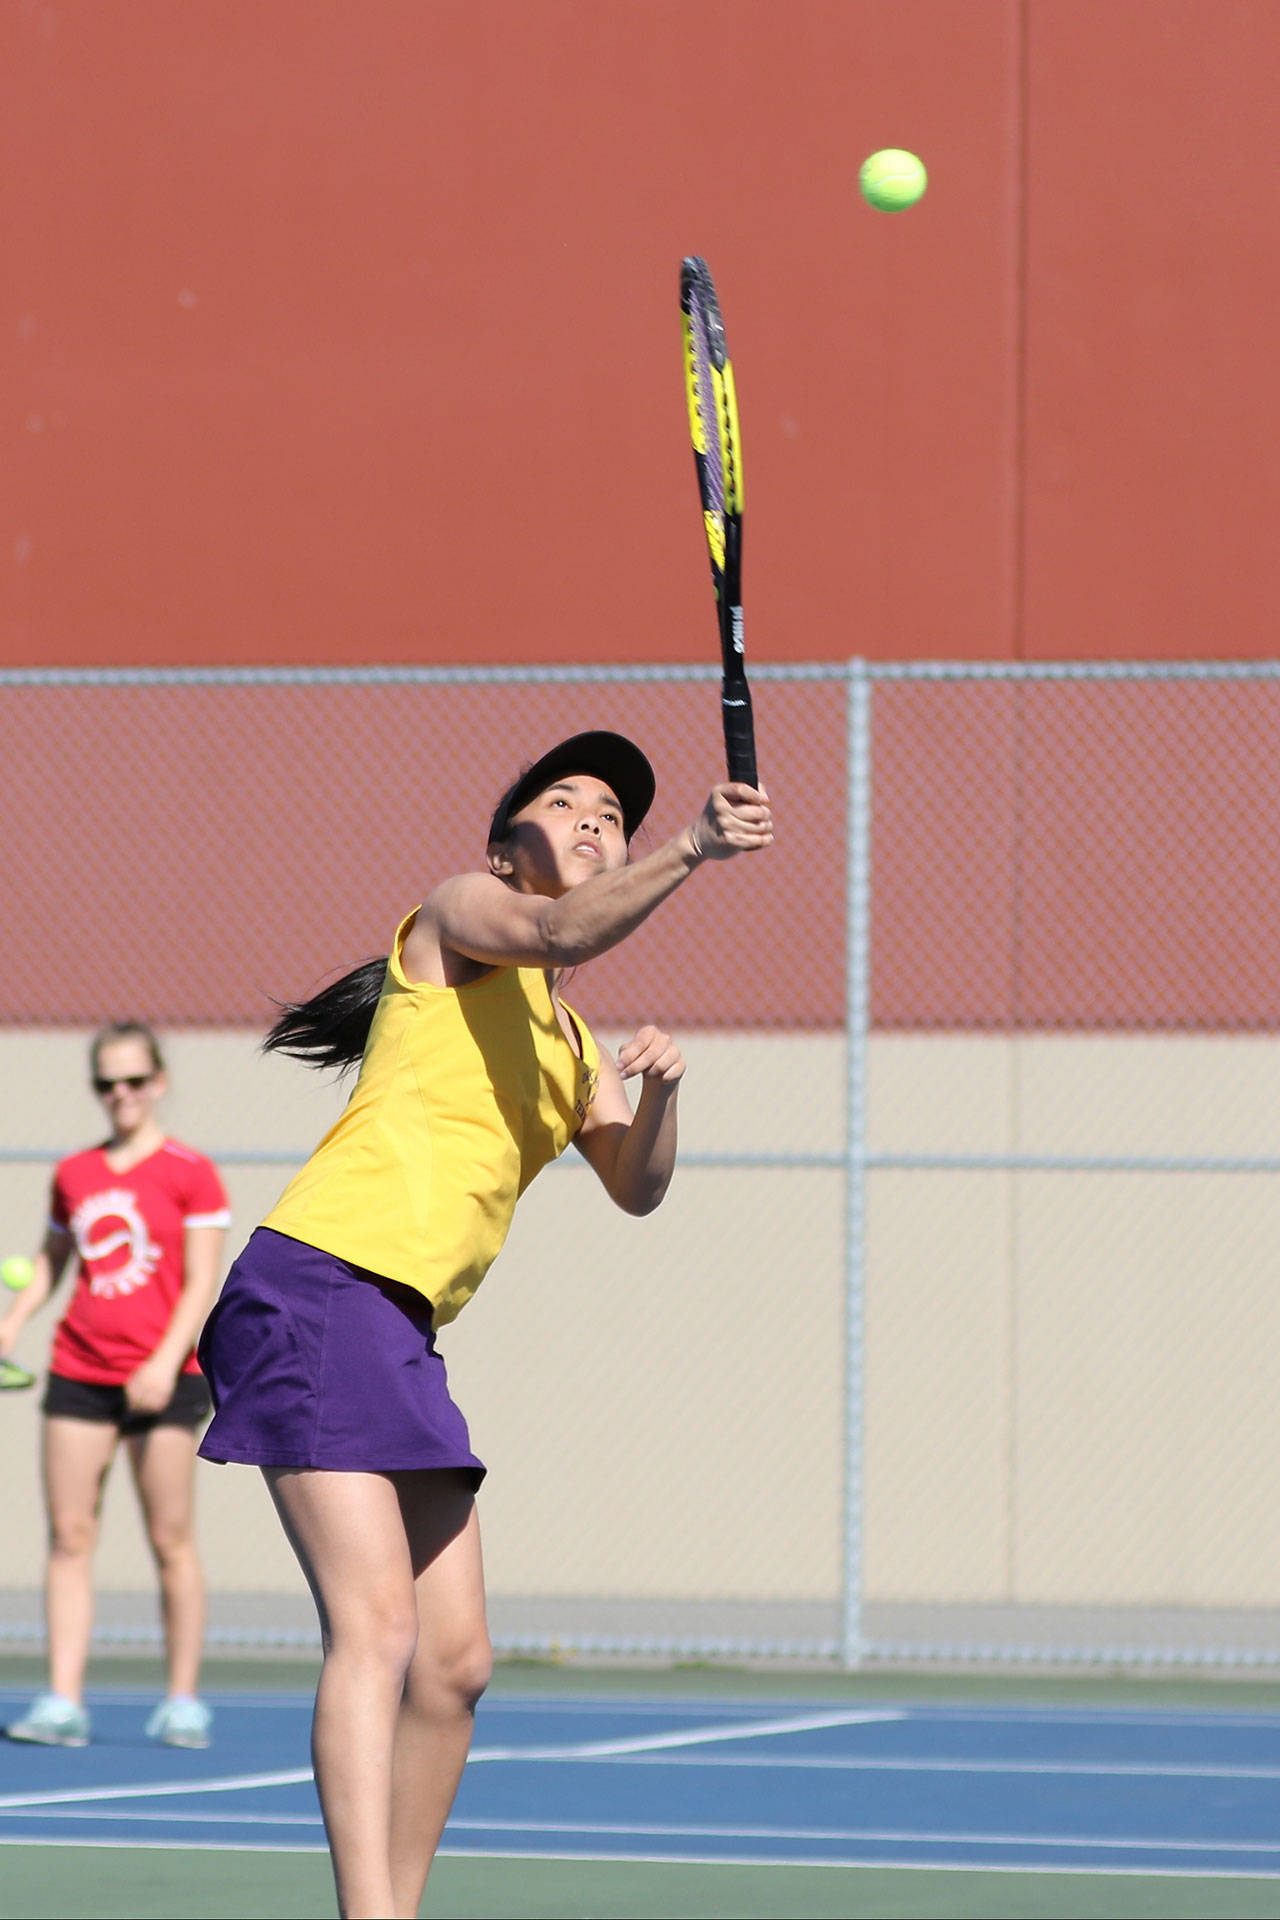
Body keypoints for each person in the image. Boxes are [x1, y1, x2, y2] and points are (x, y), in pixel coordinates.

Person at [194, 730, 772, 1919]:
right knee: (380, 1626)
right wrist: (693, 846)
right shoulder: (456, 917)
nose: (591, 821)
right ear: (506, 845)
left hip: (398, 1328)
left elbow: (635, 1185)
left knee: (456, 1667)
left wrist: (658, 1092)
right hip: (319, 1282)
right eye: (563, 803)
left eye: (610, 814)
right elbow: (562, 930)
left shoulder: (566, 1040)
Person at [0, 1022, 230, 1750]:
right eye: (106, 1082)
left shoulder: (192, 1172)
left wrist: (163, 1363)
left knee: (171, 1540)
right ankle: (64, 1699)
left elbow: (200, 1282)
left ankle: (182, 1700)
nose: (120, 1094)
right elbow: (51, 1259)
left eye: (133, 1080)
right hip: (79, 1369)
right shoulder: (74, 1173)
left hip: (165, 1379)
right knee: (70, 1536)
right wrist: (14, 1320)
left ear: (158, 1082)